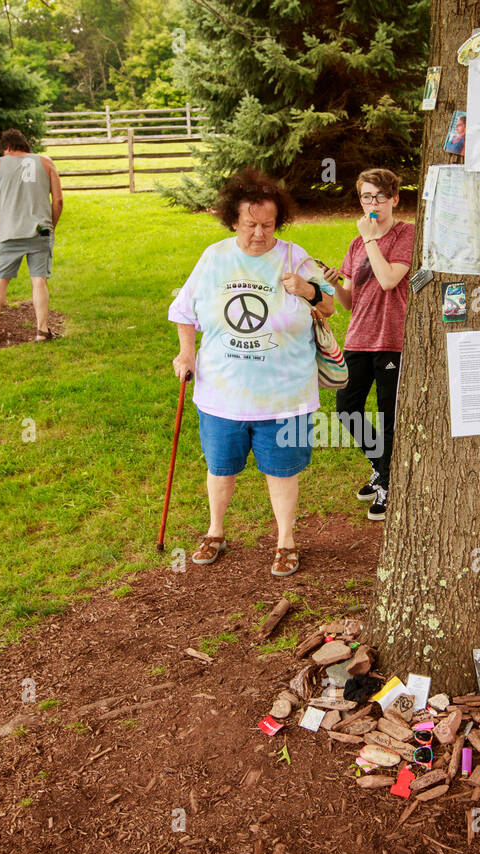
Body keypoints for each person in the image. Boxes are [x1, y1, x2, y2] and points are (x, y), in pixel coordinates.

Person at [168, 168, 336, 577]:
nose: (259, 234)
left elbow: (328, 307)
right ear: (233, 221)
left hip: (285, 392)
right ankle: (215, 532)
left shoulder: (296, 257)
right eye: (250, 225)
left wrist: (308, 289)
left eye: (268, 225)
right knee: (220, 466)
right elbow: (185, 312)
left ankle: (285, 542)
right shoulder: (215, 257)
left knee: (283, 470)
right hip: (223, 392)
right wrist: (186, 354)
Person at [323, 169, 413, 521]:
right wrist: (334, 283)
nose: (372, 204)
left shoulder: (405, 234)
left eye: (378, 197)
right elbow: (349, 302)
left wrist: (372, 238)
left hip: (391, 339)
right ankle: (382, 465)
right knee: (346, 406)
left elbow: (390, 279)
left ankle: (389, 484)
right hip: (359, 338)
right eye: (365, 197)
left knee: (389, 415)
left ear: (394, 199)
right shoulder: (356, 244)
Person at [0, 129, 63, 344]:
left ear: (6, 148)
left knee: (0, 280)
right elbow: (58, 201)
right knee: (39, 279)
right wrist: (50, 228)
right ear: (24, 146)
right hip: (41, 229)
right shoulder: (46, 163)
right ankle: (42, 331)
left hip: (9, 231)